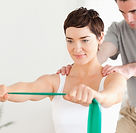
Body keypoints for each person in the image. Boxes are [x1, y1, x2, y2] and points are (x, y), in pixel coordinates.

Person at [0, 7, 126, 133]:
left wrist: (95, 96)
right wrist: (7, 90)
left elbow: (112, 96)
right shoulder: (57, 81)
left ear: (100, 38)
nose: (76, 49)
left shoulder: (113, 78)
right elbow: (29, 88)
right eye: (70, 41)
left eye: (85, 40)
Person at [57, 0, 136, 133]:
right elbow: (99, 55)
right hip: (132, 113)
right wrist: (76, 67)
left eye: (134, 12)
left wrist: (129, 69)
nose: (128, 19)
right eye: (123, 12)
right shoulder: (119, 29)